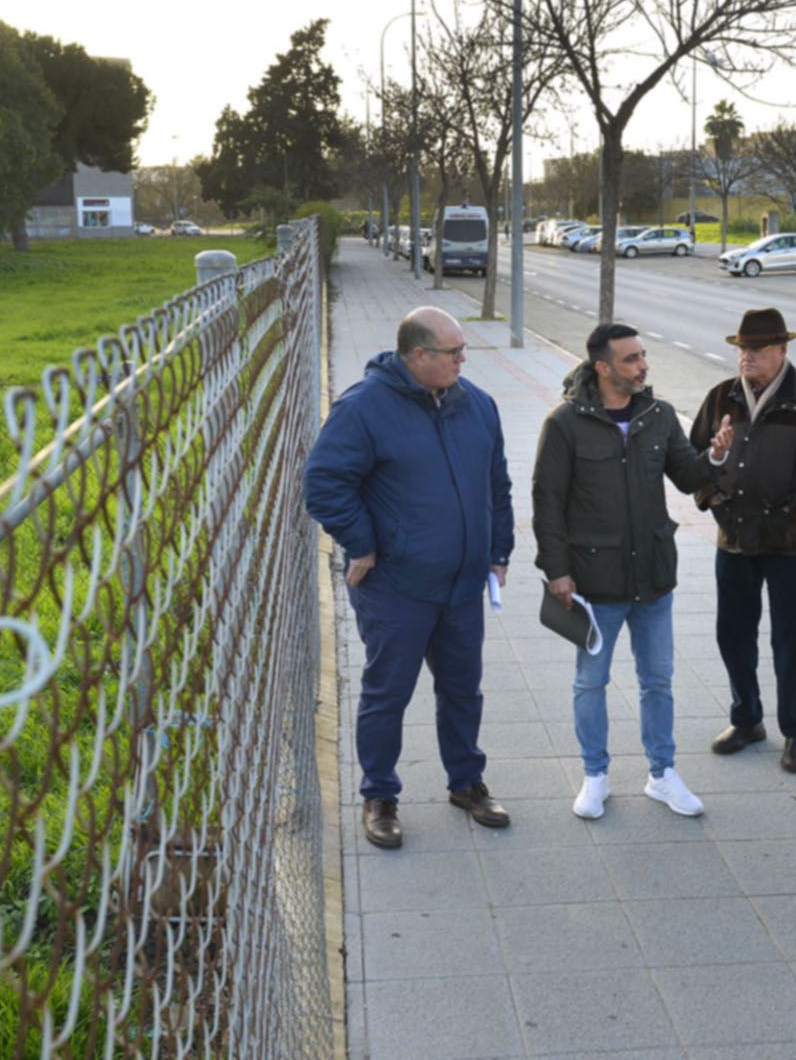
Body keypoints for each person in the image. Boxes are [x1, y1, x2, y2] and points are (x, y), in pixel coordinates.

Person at [304, 306, 515, 850]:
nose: (463, 360)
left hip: (464, 585)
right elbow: (325, 482)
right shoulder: (364, 408)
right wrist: (364, 544)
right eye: (452, 353)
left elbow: (497, 484)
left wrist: (498, 551)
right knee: (387, 693)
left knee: (463, 690)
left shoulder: (478, 405)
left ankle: (467, 783)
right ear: (417, 356)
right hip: (397, 587)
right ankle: (380, 796)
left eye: (462, 350)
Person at [533, 323, 721, 819]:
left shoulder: (658, 416)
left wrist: (717, 455)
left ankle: (663, 774)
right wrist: (557, 571)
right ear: (603, 367)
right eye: (632, 358)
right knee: (590, 682)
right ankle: (595, 776)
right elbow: (546, 502)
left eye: (643, 356)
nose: (642, 366)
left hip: (653, 577)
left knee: (657, 680)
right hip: (595, 583)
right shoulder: (565, 423)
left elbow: (687, 475)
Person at [689, 307, 796, 773]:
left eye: (757, 349)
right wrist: (713, 489)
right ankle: (747, 719)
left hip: (790, 543)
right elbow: (693, 455)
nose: (746, 357)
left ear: (782, 350)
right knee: (733, 636)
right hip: (735, 539)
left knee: (792, 641)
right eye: (742, 349)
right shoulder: (721, 396)